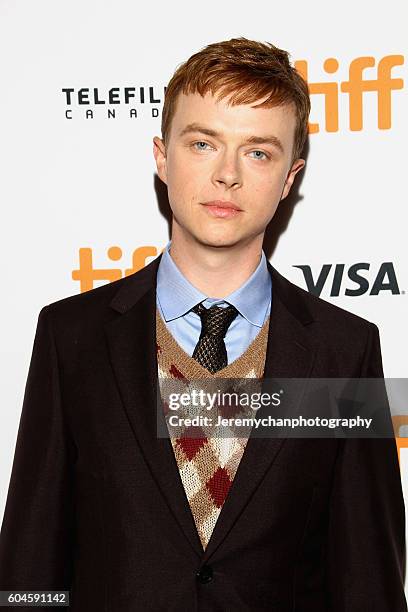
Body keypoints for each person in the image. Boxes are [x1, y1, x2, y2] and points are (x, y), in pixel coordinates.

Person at [0, 37, 406, 611]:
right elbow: (29, 569)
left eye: (258, 152)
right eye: (203, 144)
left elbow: (370, 582)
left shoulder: (346, 350)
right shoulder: (73, 338)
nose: (227, 176)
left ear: (290, 177)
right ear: (163, 157)